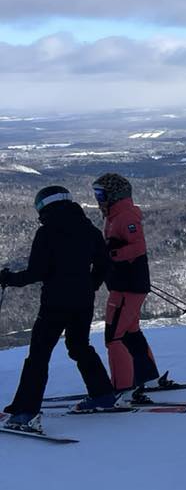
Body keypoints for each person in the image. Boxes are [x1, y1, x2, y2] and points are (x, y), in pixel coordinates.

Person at [1, 185, 118, 432]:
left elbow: (36, 272)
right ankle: (103, 395)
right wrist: (91, 285)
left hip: (55, 303)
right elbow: (105, 263)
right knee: (79, 347)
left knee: (39, 356)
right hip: (83, 301)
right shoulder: (89, 229)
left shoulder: (46, 233)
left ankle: (25, 412)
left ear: (44, 206)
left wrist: (8, 278)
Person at [93, 171, 162, 401]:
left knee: (114, 337)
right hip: (127, 285)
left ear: (114, 194)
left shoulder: (124, 216)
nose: (97, 198)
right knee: (131, 333)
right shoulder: (114, 215)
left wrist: (109, 254)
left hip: (127, 287)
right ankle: (148, 380)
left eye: (100, 193)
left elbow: (138, 247)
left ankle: (122, 390)